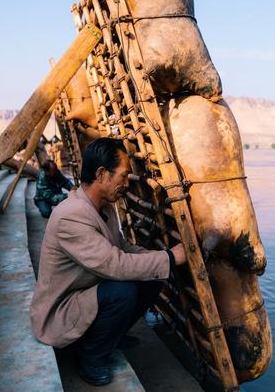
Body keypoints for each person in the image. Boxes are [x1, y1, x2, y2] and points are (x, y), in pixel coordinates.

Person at [30, 138, 186, 386]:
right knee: (121, 292)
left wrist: (160, 260)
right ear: (102, 174)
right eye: (123, 176)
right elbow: (115, 264)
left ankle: (111, 336)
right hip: (62, 312)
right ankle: (91, 359)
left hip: (86, 292)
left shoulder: (103, 205)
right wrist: (169, 257)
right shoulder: (72, 215)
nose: (127, 184)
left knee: (153, 277)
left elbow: (122, 247)